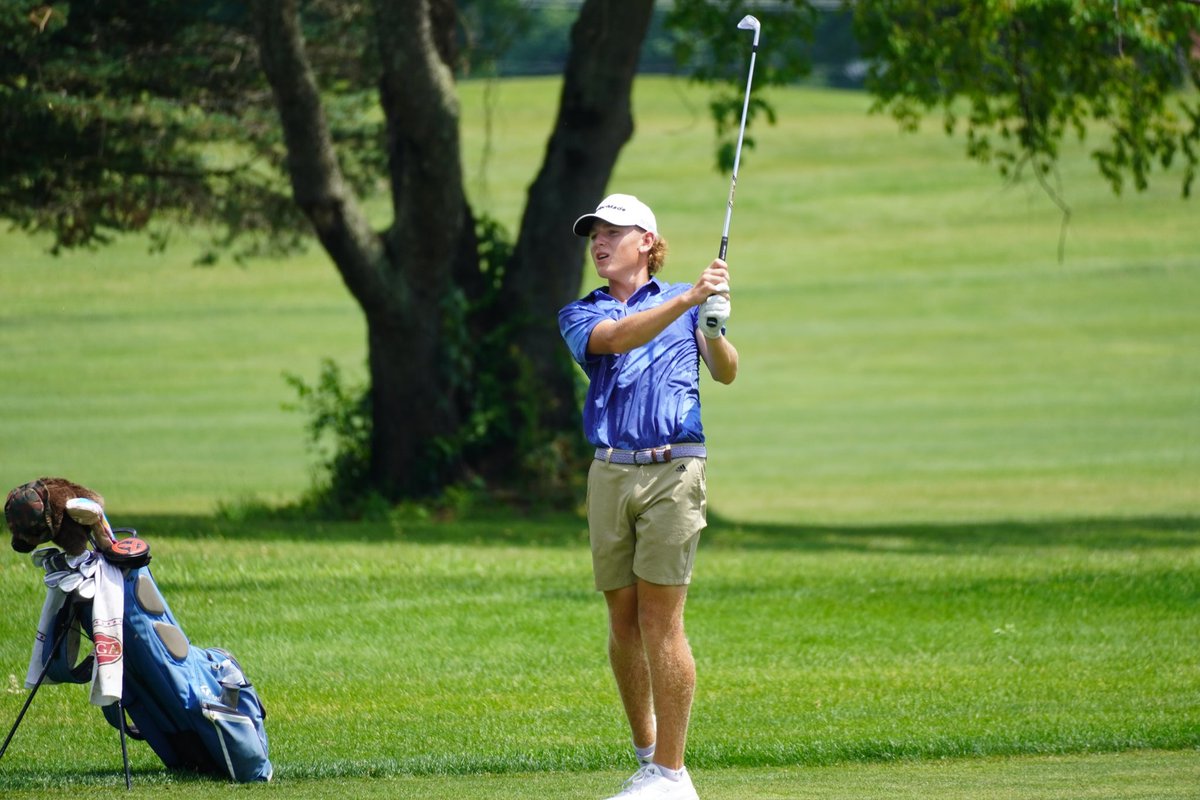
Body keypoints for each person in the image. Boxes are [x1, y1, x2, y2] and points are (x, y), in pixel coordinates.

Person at [558, 194, 738, 800]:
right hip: (609, 470)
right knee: (622, 620)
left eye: (613, 231)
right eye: (594, 235)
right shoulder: (579, 315)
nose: (600, 242)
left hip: (674, 468)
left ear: (646, 241)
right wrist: (688, 300)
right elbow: (615, 339)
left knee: (662, 621)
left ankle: (671, 773)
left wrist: (711, 323)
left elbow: (727, 370)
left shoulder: (687, 299)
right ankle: (648, 757)